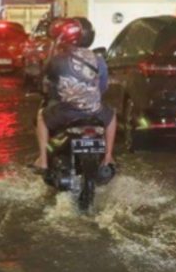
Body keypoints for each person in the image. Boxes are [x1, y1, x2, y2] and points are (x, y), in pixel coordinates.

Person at [31, 17, 116, 170]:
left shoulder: (58, 60)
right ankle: (109, 156)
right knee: (112, 116)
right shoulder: (98, 59)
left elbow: (44, 79)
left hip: (66, 112)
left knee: (41, 118)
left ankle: (43, 161)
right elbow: (103, 87)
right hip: (94, 111)